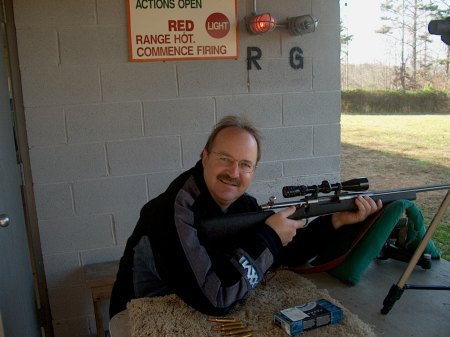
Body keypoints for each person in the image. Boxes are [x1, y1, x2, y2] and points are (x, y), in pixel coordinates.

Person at [109, 115, 382, 318]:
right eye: (224, 159)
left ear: (254, 170)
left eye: (245, 165)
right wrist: (270, 236)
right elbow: (217, 299)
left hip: (188, 310)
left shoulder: (244, 205)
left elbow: (281, 251)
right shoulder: (173, 211)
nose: (234, 172)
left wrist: (335, 221)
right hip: (140, 315)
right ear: (204, 157)